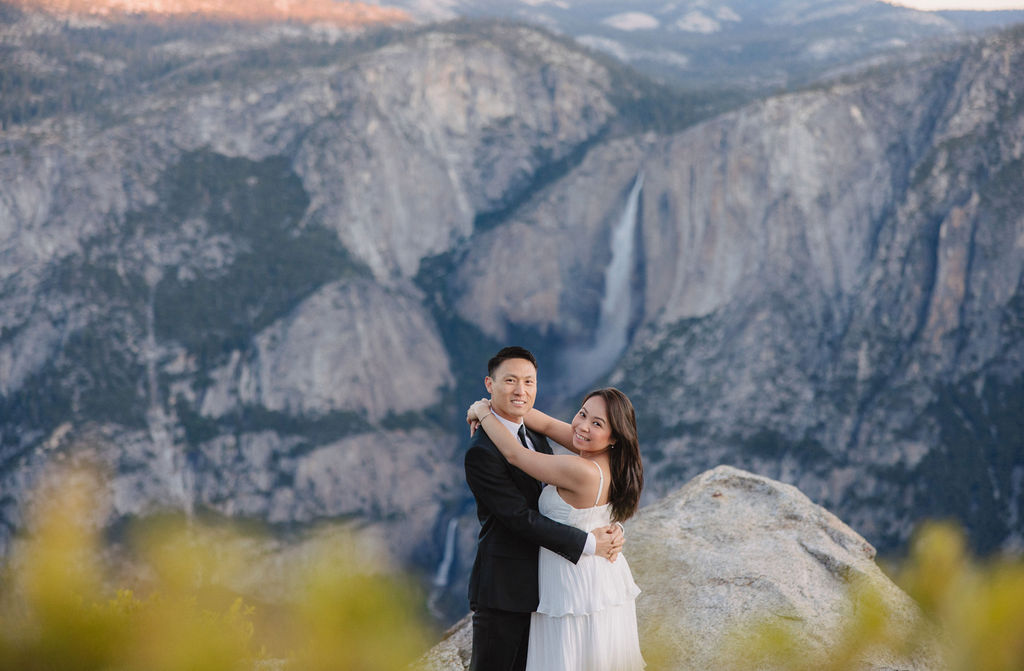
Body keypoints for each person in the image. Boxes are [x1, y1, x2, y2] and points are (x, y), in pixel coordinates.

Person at [464, 346, 626, 671]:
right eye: (510, 380)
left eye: (529, 382)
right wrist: (591, 542)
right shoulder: (482, 452)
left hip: (554, 589)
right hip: (506, 591)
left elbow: (541, 426)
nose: (521, 390)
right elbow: (519, 519)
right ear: (489, 383)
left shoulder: (533, 433)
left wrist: (483, 409)